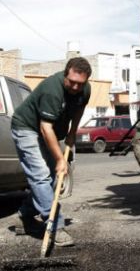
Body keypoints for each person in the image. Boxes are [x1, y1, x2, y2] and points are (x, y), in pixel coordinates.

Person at [10, 57, 92, 246]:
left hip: (50, 131)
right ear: (65, 75)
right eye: (71, 82)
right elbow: (45, 128)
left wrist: (72, 133)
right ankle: (55, 226)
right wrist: (60, 159)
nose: (75, 87)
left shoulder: (84, 89)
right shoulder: (52, 91)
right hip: (26, 128)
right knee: (40, 176)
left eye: (80, 84)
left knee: (55, 179)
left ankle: (24, 216)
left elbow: (79, 109)